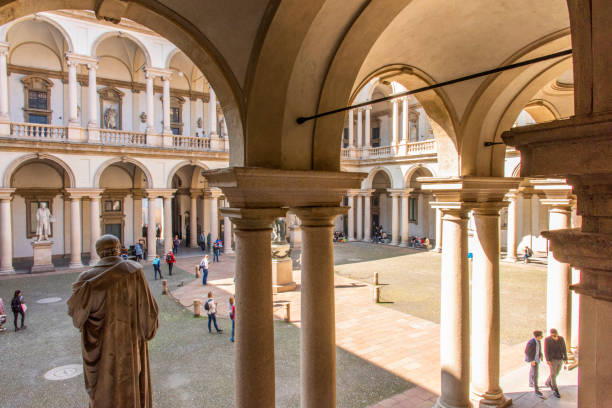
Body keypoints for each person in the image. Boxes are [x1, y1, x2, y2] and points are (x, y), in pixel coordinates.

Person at [67, 234, 158, 408]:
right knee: (132, 392)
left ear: (98, 252)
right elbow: (150, 314)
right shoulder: (134, 272)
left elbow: (76, 317)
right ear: (118, 249)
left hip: (102, 353)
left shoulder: (87, 279)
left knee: (104, 393)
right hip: (130, 349)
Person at [544, 328, 568, 398]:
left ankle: (548, 382)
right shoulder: (547, 339)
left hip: (560, 358)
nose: (553, 337)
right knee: (553, 375)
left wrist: (565, 358)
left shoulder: (561, 339)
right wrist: (547, 360)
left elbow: (564, 348)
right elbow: (546, 350)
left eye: (555, 335)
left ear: (557, 334)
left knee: (556, 373)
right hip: (552, 360)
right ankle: (555, 390)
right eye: (552, 335)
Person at [525, 330, 545, 398]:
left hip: (536, 359)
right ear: (538, 336)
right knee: (535, 374)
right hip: (533, 360)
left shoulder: (538, 341)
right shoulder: (531, 342)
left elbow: (539, 349)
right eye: (541, 335)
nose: (542, 336)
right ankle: (536, 390)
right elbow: (527, 351)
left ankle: (531, 383)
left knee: (532, 371)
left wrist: (541, 355)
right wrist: (532, 360)